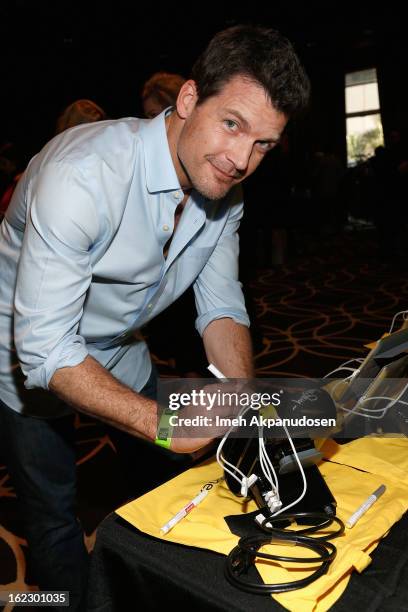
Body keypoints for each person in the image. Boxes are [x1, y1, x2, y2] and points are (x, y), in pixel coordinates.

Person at [0, 25, 310, 610]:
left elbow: (220, 307)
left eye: (264, 144)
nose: (242, 161)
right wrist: (157, 421)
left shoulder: (222, 186)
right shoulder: (81, 175)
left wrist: (242, 396)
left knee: (169, 484)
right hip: (20, 357)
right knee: (55, 514)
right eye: (233, 124)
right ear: (189, 100)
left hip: (119, 346)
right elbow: (45, 351)